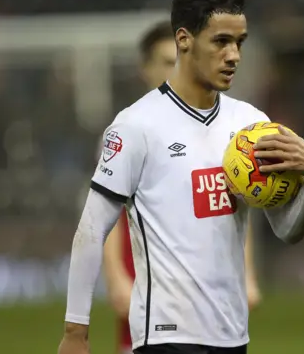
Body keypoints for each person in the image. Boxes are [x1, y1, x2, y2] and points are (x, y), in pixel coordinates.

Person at [58, 0, 304, 354]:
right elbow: (91, 231)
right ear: (184, 40)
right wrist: (76, 331)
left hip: (232, 335)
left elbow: (287, 230)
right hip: (165, 336)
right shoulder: (136, 125)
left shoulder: (251, 126)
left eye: (239, 42)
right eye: (221, 41)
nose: (234, 55)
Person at [101, 20, 263, 354]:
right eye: (164, 62)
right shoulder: (128, 131)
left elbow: (230, 208)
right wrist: (116, 278)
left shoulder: (221, 131)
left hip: (211, 295)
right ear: (144, 69)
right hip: (151, 293)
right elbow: (104, 215)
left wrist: (247, 275)